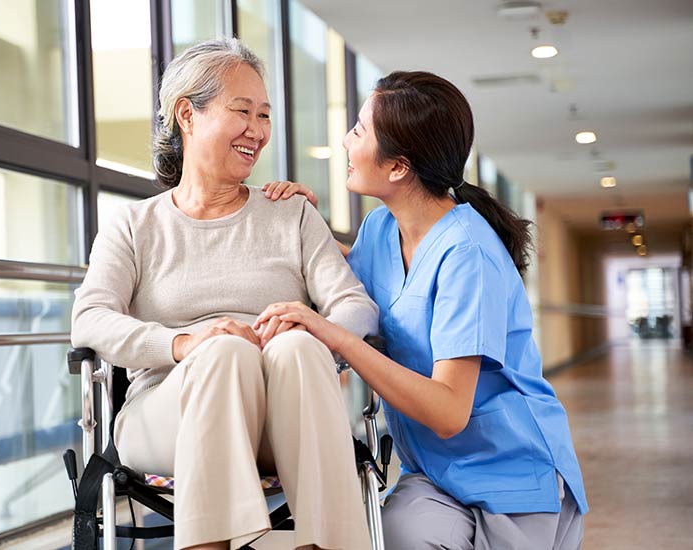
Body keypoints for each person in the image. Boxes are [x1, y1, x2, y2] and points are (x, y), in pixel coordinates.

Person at [257, 71, 587, 550]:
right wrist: (302, 221)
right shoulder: (378, 229)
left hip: (513, 476)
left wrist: (335, 335)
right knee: (398, 533)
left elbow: (449, 410)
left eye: (359, 130)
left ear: (398, 168)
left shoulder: (467, 253)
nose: (347, 141)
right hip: (436, 475)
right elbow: (341, 272)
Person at [70, 38, 378, 550]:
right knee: (224, 351)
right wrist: (186, 343)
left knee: (300, 345)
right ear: (187, 115)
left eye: (264, 115)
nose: (257, 131)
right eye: (242, 111)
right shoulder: (134, 224)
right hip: (169, 414)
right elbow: (91, 318)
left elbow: (355, 306)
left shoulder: (290, 213)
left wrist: (314, 325)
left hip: (284, 417)